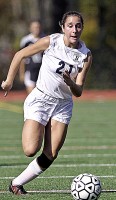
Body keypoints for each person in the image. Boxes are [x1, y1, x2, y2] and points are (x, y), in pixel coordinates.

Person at [1, 11, 92, 195]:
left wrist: (71, 83)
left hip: (63, 104)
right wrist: (9, 81)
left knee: (51, 153)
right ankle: (39, 124)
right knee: (30, 149)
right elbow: (20, 54)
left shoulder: (86, 55)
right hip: (41, 99)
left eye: (78, 26)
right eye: (70, 26)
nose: (74, 30)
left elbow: (79, 91)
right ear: (63, 27)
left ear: (82, 28)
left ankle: (16, 184)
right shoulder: (51, 41)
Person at [19, 20, 45, 94]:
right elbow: (21, 58)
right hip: (30, 69)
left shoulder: (45, 39)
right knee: (31, 95)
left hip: (42, 70)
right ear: (30, 28)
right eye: (34, 27)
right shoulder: (26, 40)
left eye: (38, 27)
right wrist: (22, 73)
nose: (36, 29)